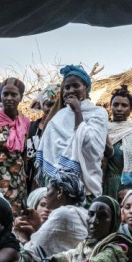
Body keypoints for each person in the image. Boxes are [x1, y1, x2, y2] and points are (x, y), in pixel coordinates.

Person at [37, 64, 108, 198]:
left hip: (84, 187)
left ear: (86, 88)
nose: (70, 90)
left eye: (76, 86)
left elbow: (92, 146)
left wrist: (77, 112)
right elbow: (48, 148)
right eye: (67, 87)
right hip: (56, 188)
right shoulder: (59, 116)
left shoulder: (98, 113)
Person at [19, 170, 89, 259]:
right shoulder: (82, 213)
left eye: (48, 190)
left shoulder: (63, 214)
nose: (45, 195)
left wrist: (22, 237)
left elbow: (34, 253)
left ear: (60, 192)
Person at [0, 77, 30, 214]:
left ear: (21, 97)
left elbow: (24, 151)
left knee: (18, 215)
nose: (9, 98)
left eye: (14, 94)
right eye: (5, 94)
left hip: (18, 177)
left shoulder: (25, 121)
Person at [104, 85, 132, 199]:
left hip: (127, 187)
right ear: (110, 107)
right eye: (115, 105)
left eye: (124, 105)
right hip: (103, 183)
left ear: (131, 109)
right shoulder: (103, 129)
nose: (119, 109)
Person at [25, 84, 59, 191]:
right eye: (49, 105)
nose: (52, 109)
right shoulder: (31, 127)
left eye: (55, 105)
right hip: (32, 175)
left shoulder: (62, 129)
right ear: (41, 105)